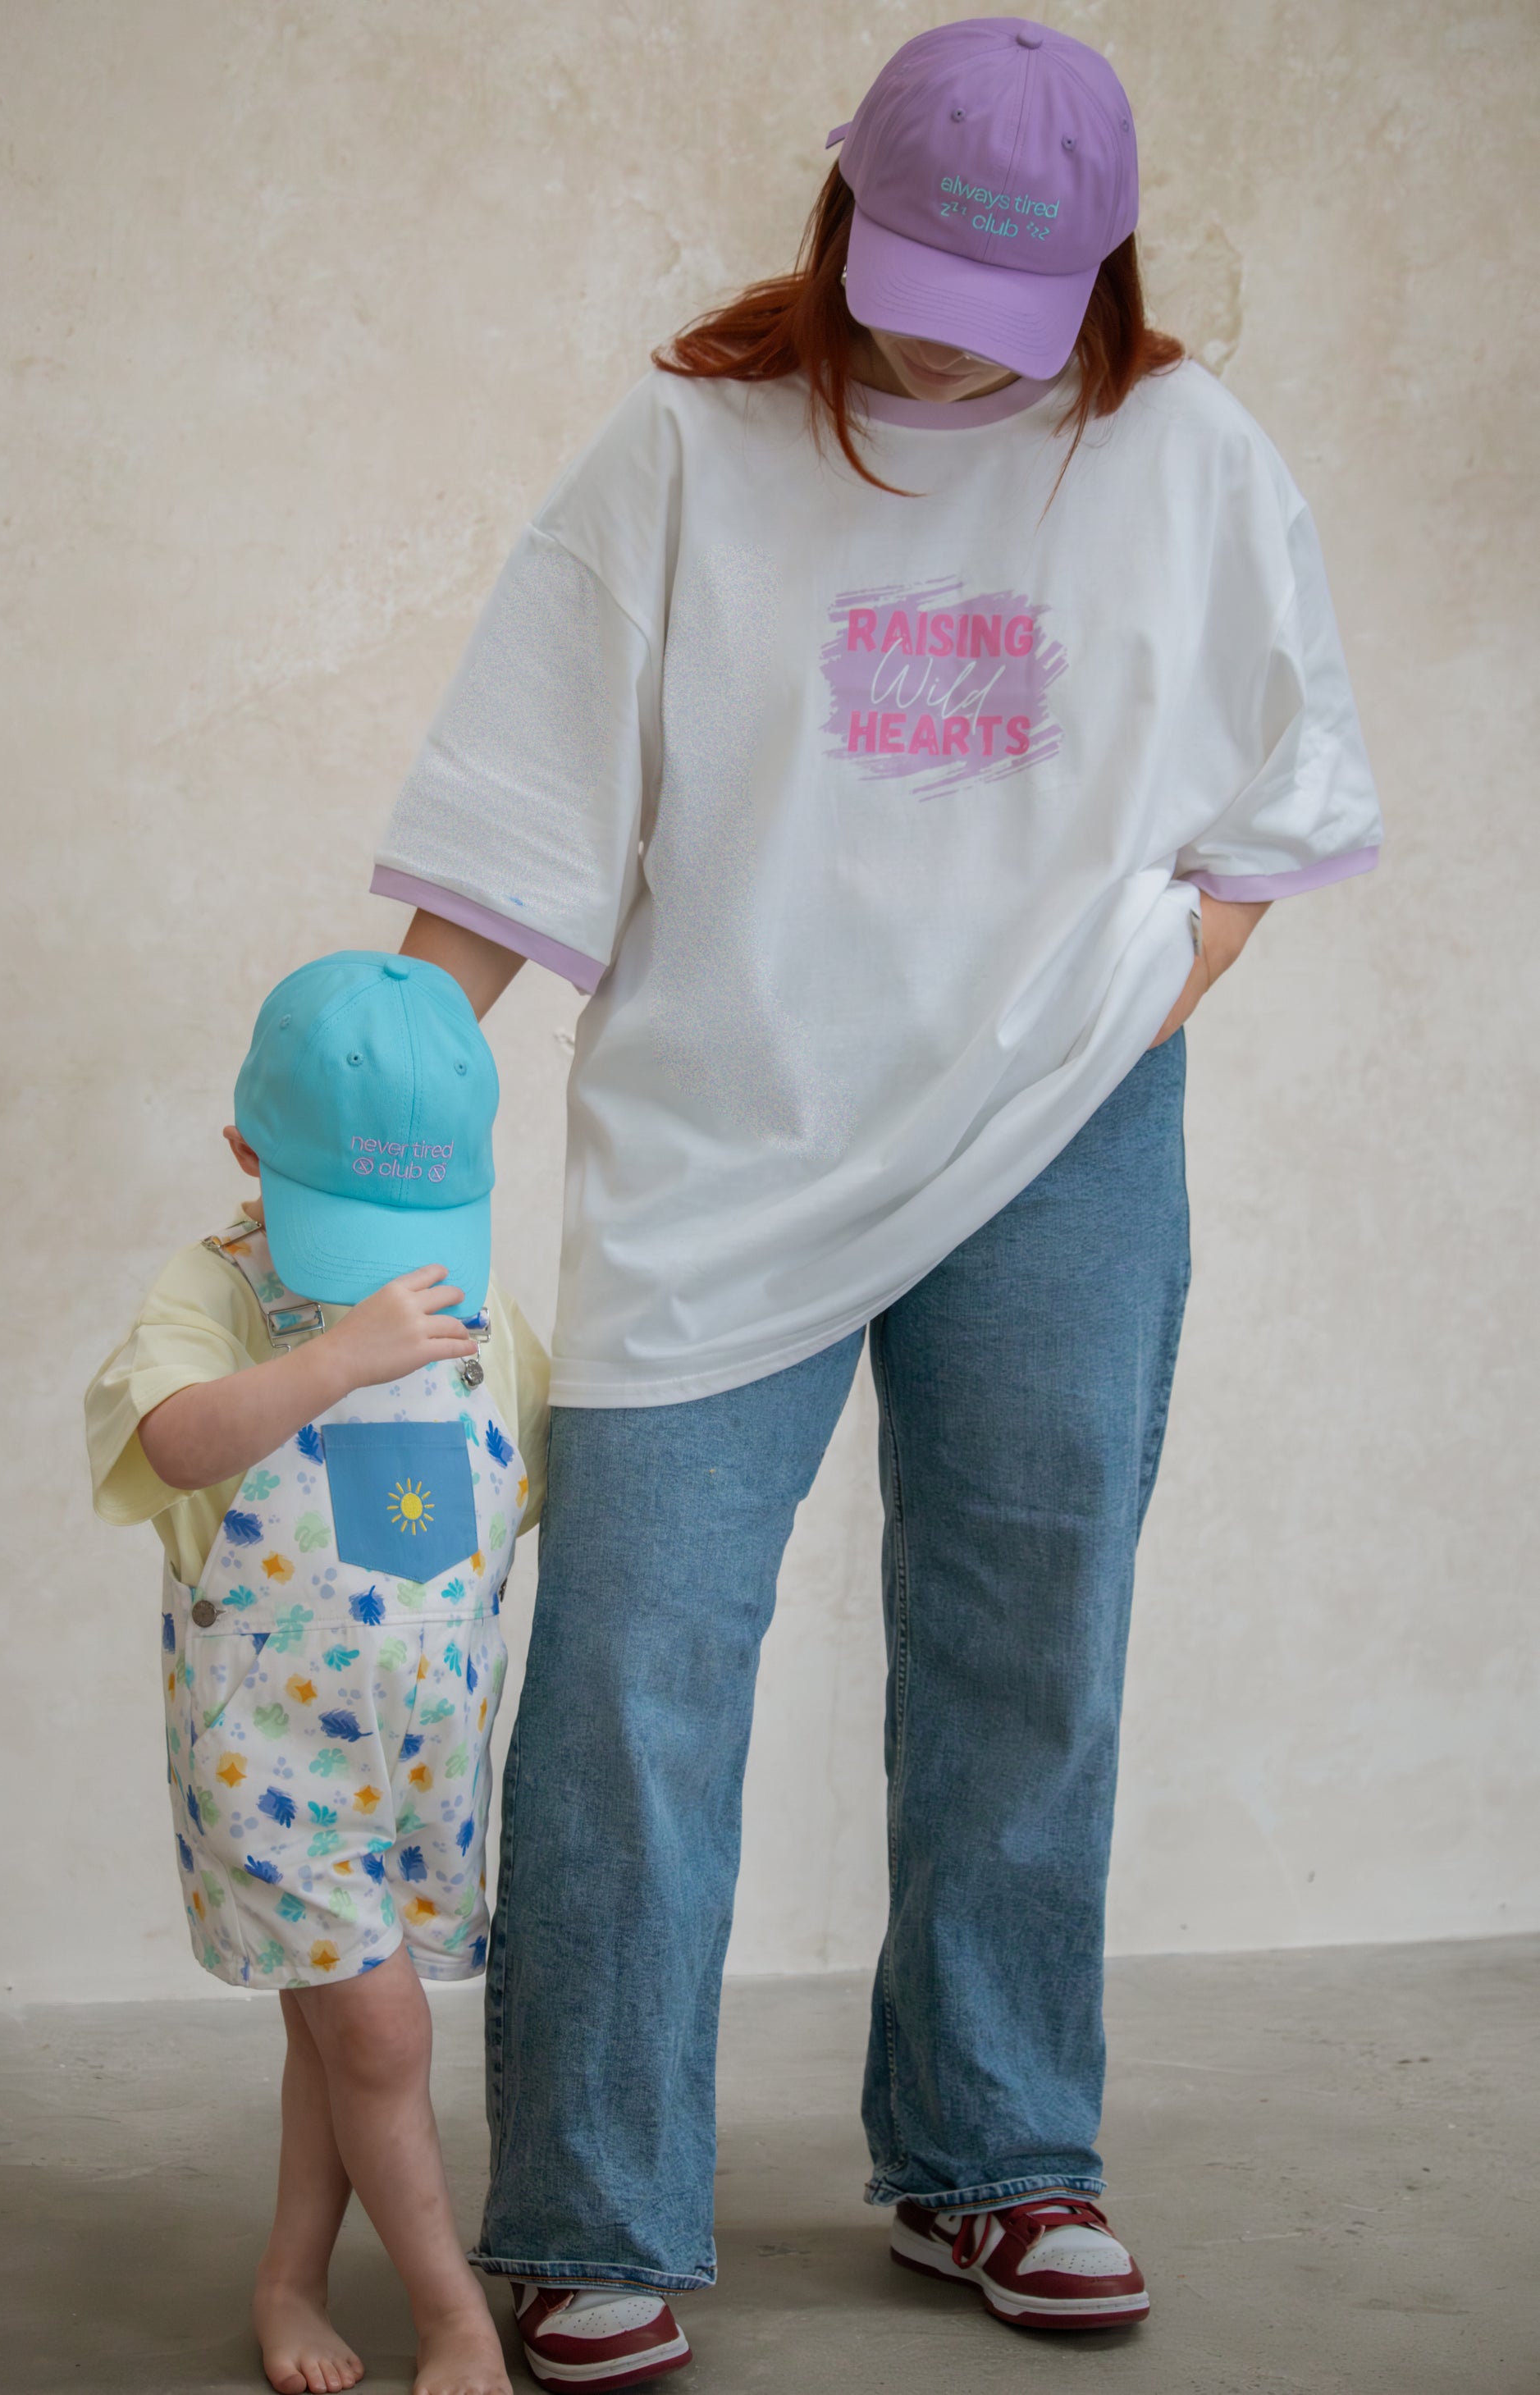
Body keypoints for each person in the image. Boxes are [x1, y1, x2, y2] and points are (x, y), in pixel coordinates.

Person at [372, 17, 1382, 2387]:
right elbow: (520, 806)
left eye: (1007, 300)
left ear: (1101, 274)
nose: (948, 338)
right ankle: (591, 2204)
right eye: (918, 274)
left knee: (1028, 1650)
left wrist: (1128, 1004)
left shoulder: (1190, 455)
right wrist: (380, 1091)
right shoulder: (687, 450)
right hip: (729, 1149)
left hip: (1061, 1147)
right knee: (630, 1669)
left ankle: (997, 2156)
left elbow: (1279, 792)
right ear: (841, 220)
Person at [85, 951, 549, 2395]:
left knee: (338, 2045)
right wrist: (330, 1359)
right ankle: (453, 2314)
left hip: (419, 1764)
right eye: (354, 1227)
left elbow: (529, 1482)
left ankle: (288, 2284)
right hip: (274, 1769)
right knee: (380, 2029)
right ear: (246, 1155)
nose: (397, 1270)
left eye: (422, 1226)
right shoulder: (216, 1290)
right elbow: (168, 1440)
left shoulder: (477, 1322)